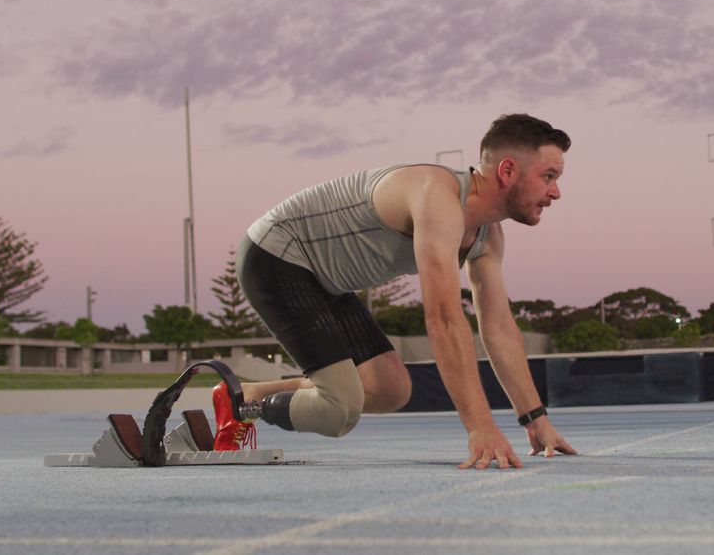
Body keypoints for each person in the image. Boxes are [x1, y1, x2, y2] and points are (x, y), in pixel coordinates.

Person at [212, 113, 578, 469]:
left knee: (390, 388)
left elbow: (499, 329)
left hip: (326, 280)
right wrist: (481, 428)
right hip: (276, 255)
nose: (556, 192)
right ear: (508, 170)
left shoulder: (487, 235)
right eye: (549, 176)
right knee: (340, 408)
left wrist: (535, 419)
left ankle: (248, 395)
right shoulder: (437, 196)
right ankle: (244, 410)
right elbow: (445, 320)